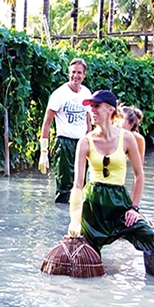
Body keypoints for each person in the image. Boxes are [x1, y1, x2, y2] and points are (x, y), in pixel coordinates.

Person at [67, 90, 154, 278]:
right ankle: (91, 297)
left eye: (96, 106)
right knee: (89, 257)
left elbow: (139, 175)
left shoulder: (127, 138)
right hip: (93, 206)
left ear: (110, 110)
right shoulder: (85, 142)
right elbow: (78, 184)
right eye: (91, 107)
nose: (92, 111)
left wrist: (134, 208)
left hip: (119, 203)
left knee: (149, 235)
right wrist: (75, 219)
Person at [39, 58, 92, 203]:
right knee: (64, 184)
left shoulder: (87, 94)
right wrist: (44, 151)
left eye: (79, 73)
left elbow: (88, 122)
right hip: (64, 143)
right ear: (68, 73)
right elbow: (47, 122)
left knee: (81, 183)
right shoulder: (59, 94)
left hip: (82, 142)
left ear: (84, 75)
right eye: (73, 72)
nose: (76, 76)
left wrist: (91, 145)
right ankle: (61, 218)